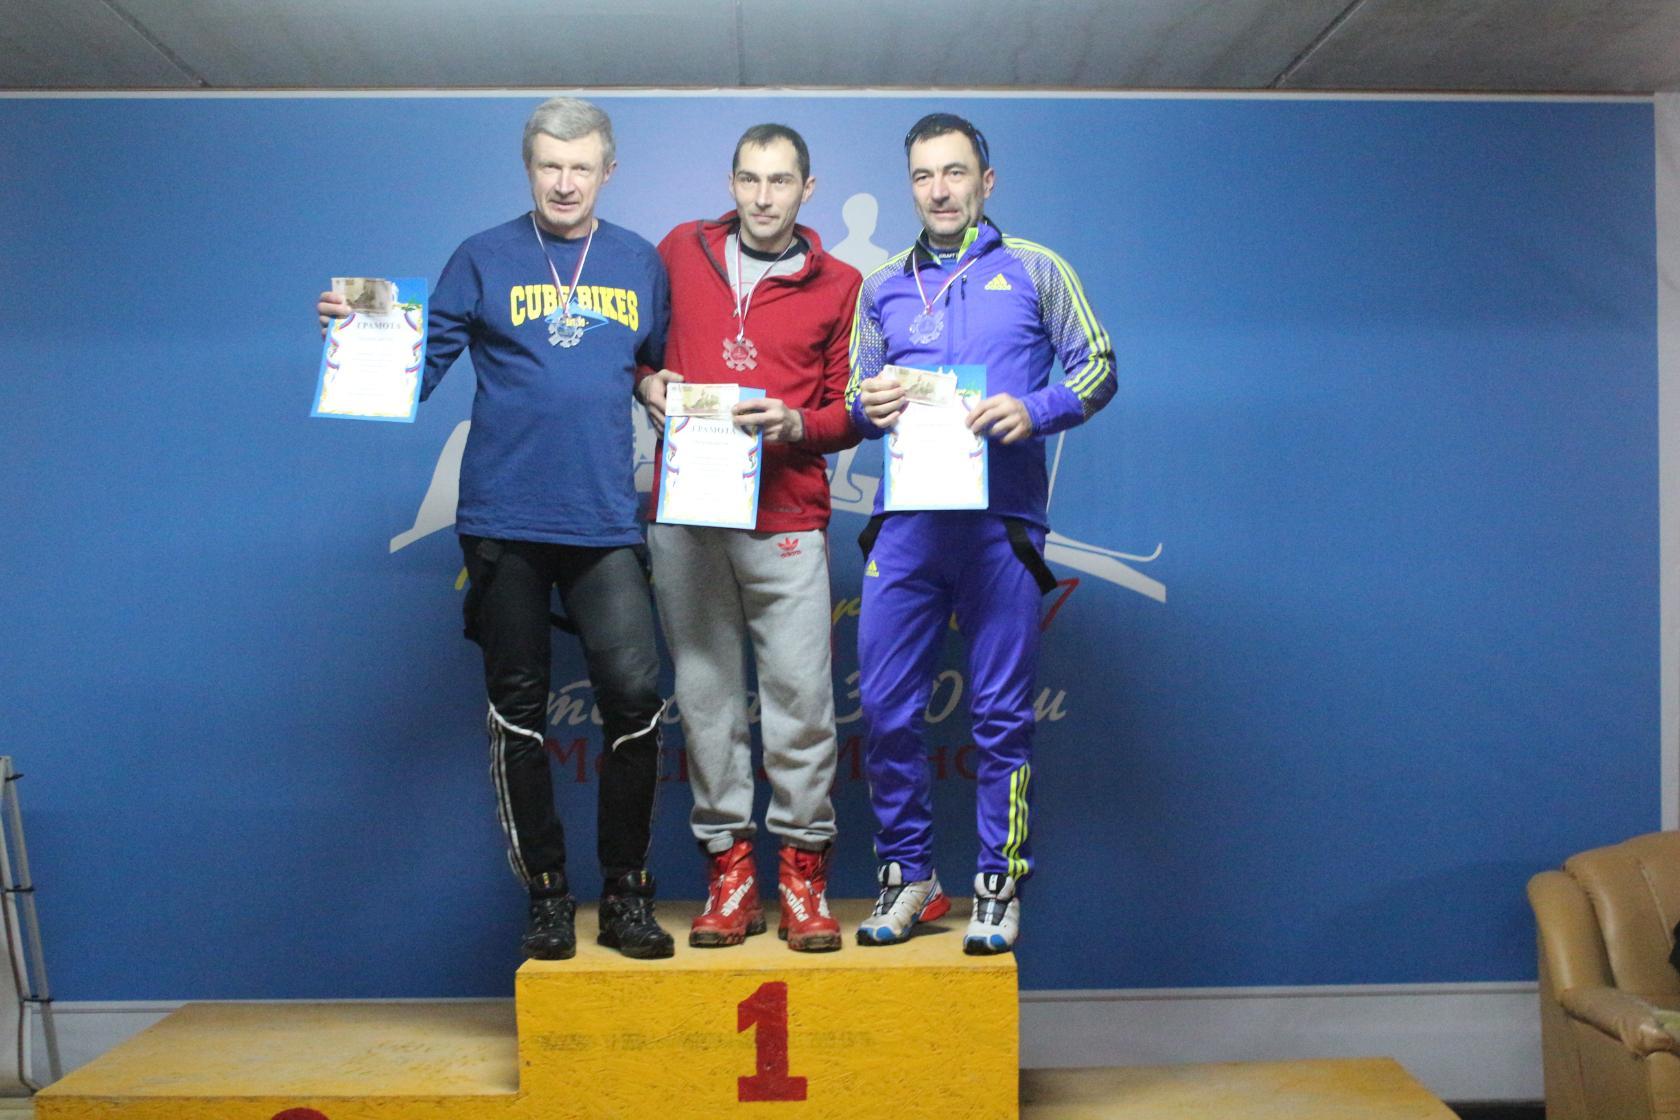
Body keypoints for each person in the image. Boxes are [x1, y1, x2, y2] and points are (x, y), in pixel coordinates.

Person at [317, 97, 675, 961]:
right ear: (529, 168)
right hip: (504, 522)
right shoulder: (481, 256)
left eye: (580, 166)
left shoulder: (638, 261)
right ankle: (547, 897)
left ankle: (626, 894)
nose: (565, 182)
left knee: (635, 701)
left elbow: (658, 367)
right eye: (550, 165)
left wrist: (659, 389)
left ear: (608, 171)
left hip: (602, 521)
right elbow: (416, 369)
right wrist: (358, 335)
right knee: (518, 712)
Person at [844, 113, 1117, 954]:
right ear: (910, 186)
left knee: (1000, 716)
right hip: (909, 529)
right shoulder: (882, 285)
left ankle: (998, 883)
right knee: (885, 709)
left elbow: (1098, 367)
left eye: (955, 172)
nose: (940, 190)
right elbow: (853, 395)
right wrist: (868, 405)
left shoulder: (1035, 268)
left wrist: (1033, 409)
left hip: (1002, 528)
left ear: (986, 181)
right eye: (924, 175)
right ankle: (910, 876)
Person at [635, 124, 862, 952]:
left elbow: (850, 410)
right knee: (705, 702)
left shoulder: (841, 284)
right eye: (750, 180)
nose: (764, 197)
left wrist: (796, 422)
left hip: (786, 518)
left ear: (808, 188)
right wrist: (647, 383)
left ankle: (802, 876)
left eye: (781, 181)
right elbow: (635, 351)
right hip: (688, 515)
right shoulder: (678, 249)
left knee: (802, 704)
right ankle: (730, 876)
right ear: (731, 182)